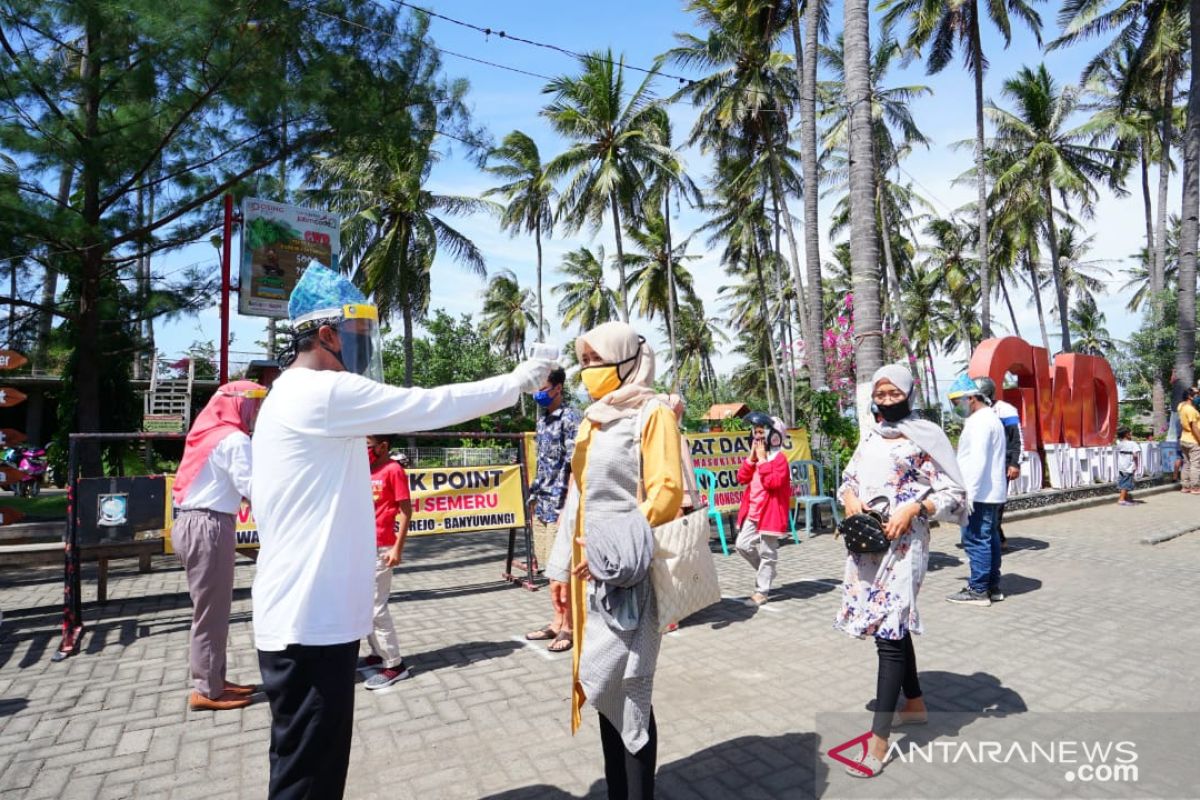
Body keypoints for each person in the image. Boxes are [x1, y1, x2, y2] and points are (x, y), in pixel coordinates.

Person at [251, 265, 552, 800]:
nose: (364, 351)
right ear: (326, 336)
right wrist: (519, 381)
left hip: (304, 619)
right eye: (358, 338)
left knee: (301, 768)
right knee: (308, 782)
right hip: (309, 623)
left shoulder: (293, 397)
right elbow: (431, 404)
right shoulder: (320, 393)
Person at [545, 321, 683, 799]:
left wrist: (611, 550)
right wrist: (559, 568)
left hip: (628, 572)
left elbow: (667, 493)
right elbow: (579, 495)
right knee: (604, 690)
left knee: (630, 692)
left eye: (594, 361)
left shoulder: (652, 413)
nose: (586, 372)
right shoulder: (593, 418)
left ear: (626, 361)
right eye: (582, 362)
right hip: (590, 579)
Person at [836, 364, 966, 778]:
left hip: (907, 546)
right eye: (882, 394)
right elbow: (849, 478)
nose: (888, 401)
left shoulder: (927, 435)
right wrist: (851, 498)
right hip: (868, 544)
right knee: (890, 627)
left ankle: (877, 744)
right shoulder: (872, 436)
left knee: (890, 634)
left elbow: (956, 493)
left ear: (910, 393)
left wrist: (915, 507)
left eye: (895, 394)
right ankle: (914, 705)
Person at [173, 381, 266, 711]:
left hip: (194, 523)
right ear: (238, 405)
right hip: (209, 526)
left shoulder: (210, 432)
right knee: (211, 612)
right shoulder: (234, 439)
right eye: (252, 404)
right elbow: (255, 487)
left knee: (211, 608)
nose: (255, 411)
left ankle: (214, 679)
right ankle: (208, 690)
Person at [524, 366, 582, 653]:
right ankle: (556, 621)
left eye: (543, 388)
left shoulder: (570, 418)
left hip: (562, 504)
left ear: (558, 388)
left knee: (564, 573)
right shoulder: (543, 420)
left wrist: (567, 508)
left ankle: (570, 626)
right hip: (543, 503)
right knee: (550, 570)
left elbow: (575, 466)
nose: (539, 394)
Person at [946, 374, 1007, 607]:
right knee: (988, 539)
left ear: (971, 398)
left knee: (975, 539)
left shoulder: (980, 421)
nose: (955, 408)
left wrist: (967, 493)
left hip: (979, 492)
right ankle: (992, 586)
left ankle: (978, 590)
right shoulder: (989, 419)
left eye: (956, 403)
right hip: (989, 491)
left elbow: (977, 460)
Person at [359, 434, 413, 689]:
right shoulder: (363, 469)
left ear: (383, 446)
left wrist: (397, 549)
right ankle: (376, 653)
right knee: (364, 604)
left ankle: (394, 664)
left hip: (382, 546)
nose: (363, 449)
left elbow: (405, 510)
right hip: (362, 545)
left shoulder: (393, 470)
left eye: (367, 446)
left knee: (375, 606)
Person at [734, 412, 792, 606]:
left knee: (768, 553)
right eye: (755, 432)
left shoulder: (779, 459)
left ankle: (762, 590)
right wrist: (752, 459)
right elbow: (742, 478)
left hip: (770, 514)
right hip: (753, 511)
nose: (757, 437)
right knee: (742, 545)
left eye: (761, 432)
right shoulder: (757, 457)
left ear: (773, 435)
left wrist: (763, 461)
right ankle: (766, 572)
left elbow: (773, 483)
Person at [975, 378, 1022, 550]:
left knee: (996, 503)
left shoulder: (1005, 410)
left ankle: (994, 540)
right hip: (981, 463)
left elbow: (1016, 439)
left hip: (1002, 464)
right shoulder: (974, 412)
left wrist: (1015, 463)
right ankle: (996, 538)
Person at [1177, 388, 1200, 494]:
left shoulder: (1181, 406)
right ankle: (1195, 487)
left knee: (1186, 463)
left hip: (1184, 439)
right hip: (1193, 440)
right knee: (1195, 465)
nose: (1198, 396)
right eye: (1197, 394)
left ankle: (1185, 486)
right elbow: (1194, 427)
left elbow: (1183, 402)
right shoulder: (1191, 410)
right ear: (1190, 397)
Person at [1116, 427, 1141, 506]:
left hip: (1121, 466)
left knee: (1123, 481)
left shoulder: (1119, 443)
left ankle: (1126, 498)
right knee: (1126, 483)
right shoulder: (1133, 444)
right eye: (1130, 432)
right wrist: (1136, 465)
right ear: (1127, 434)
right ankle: (1121, 499)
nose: (1131, 434)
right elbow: (1135, 455)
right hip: (1129, 466)